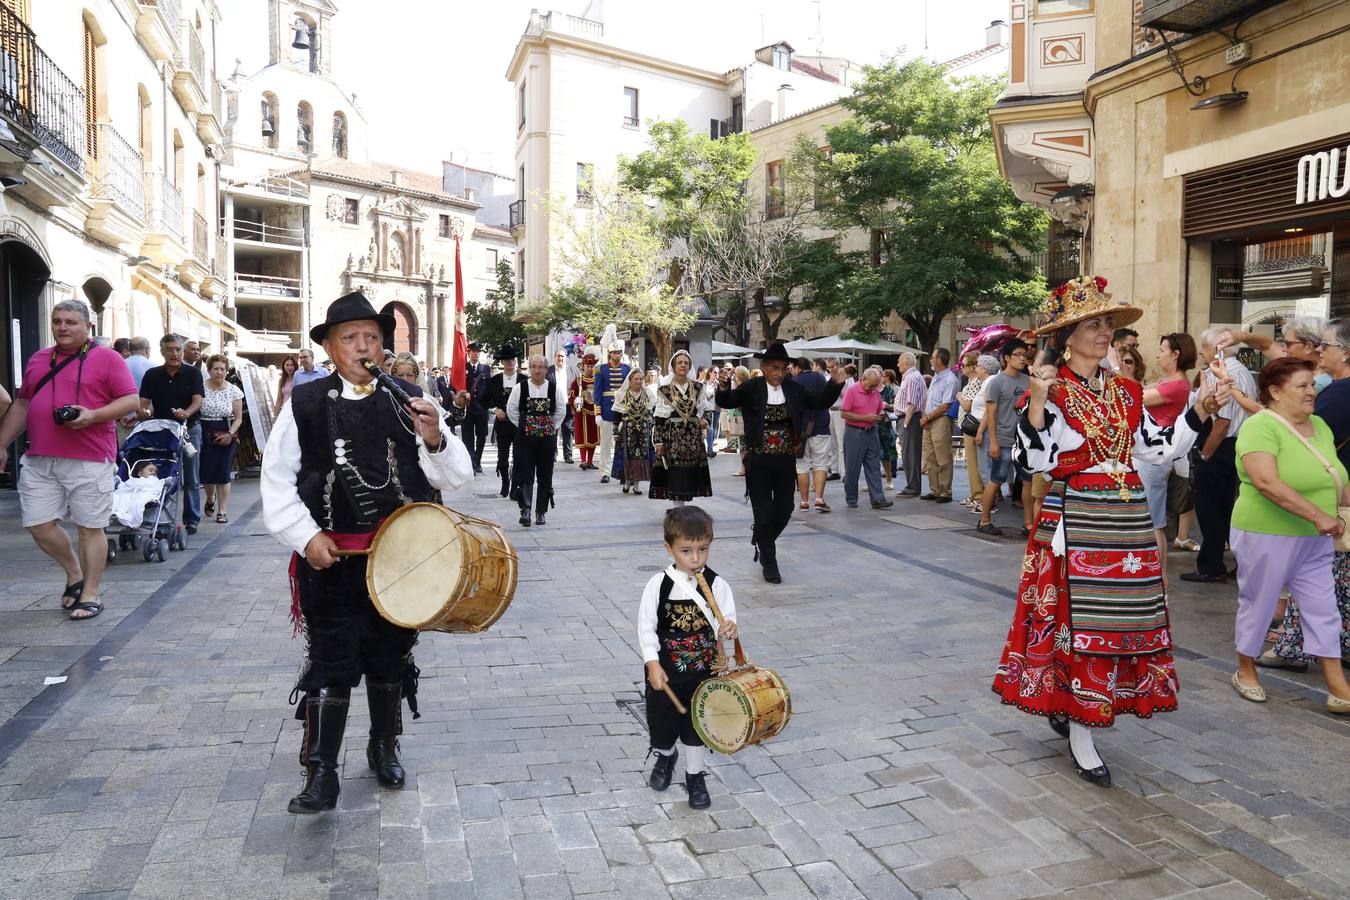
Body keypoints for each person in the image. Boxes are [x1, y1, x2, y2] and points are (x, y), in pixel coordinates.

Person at [993, 275, 1231, 786]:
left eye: (1107, 325)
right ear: (1068, 336)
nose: (1106, 334)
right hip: (1074, 519)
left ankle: (1074, 709)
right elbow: (1034, 460)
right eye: (1095, 325)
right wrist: (1036, 403)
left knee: (1120, 621)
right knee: (1077, 625)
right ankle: (1081, 729)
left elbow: (1158, 449)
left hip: (1124, 523)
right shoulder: (1051, 390)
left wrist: (1201, 411)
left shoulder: (1125, 392)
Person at [261, 291, 472, 815]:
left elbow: (456, 477)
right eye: (350, 338)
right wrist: (306, 537)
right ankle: (322, 772)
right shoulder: (304, 405)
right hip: (329, 563)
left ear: (384, 346)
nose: (362, 347)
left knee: (388, 659)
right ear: (330, 348)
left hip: (400, 563)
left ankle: (384, 747)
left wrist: (435, 437)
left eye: (372, 338)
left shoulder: (410, 400)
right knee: (331, 663)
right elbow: (276, 482)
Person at [0, 299, 140, 621]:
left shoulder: (107, 358)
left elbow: (130, 400)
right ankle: (74, 571)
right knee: (38, 524)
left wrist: (94, 416)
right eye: (58, 321)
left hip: (89, 458)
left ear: (88, 327)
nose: (62, 327)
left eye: (71, 322)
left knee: (89, 527)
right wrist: (2, 443)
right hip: (40, 458)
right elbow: (22, 405)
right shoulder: (38, 359)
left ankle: (90, 593)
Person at [1225, 357, 1350, 714]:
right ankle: (1245, 670)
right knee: (1260, 602)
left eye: (1313, 384)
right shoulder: (1260, 427)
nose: (1313, 391)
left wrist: (1336, 510)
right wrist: (1318, 516)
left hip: (1315, 538)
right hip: (1266, 533)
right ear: (1275, 392)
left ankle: (1337, 684)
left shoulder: (1321, 426)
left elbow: (1335, 476)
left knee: (1324, 609)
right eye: (1303, 386)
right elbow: (1266, 482)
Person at [1262, 320, 1350, 674]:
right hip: (1338, 496)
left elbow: (1294, 430)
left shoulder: (1341, 394)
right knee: (1338, 575)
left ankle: (1294, 646)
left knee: (1312, 574)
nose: (1318, 350)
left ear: (1345, 352)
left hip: (1332, 499)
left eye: (1325, 345)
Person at [716, 342, 845, 583]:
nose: (779, 373)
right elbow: (728, 400)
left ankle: (763, 541)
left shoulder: (793, 388)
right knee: (764, 515)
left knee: (785, 509)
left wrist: (835, 383)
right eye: (774, 368)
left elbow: (819, 401)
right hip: (759, 460)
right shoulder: (752, 387)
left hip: (785, 460)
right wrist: (723, 384)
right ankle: (770, 560)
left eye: (783, 369)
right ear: (764, 367)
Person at [638, 505, 738, 810]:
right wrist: (652, 662)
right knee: (662, 725)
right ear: (669, 549)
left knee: (698, 725)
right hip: (666, 672)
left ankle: (696, 776)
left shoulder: (718, 584)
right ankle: (666, 757)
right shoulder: (659, 584)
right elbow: (646, 626)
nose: (695, 558)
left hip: (703, 672)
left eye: (702, 549)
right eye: (686, 551)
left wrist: (729, 626)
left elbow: (727, 619)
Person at [1181, 327, 1258, 583]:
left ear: (1217, 349)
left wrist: (1204, 455)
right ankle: (1236, 564)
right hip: (1235, 446)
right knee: (1224, 509)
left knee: (1212, 510)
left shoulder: (1223, 374)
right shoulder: (1242, 371)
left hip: (1221, 447)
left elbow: (1222, 423)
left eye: (1204, 346)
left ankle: (1211, 566)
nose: (1202, 351)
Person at [1136, 334, 1196, 581]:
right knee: (1150, 518)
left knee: (1154, 520)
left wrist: (1117, 366)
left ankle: (1158, 577)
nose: (1158, 354)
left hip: (1155, 455)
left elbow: (1133, 398)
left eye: (1163, 350)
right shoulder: (1170, 381)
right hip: (1150, 453)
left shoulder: (1177, 385)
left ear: (1176, 354)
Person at [138, 334, 205, 534]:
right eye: (170, 350)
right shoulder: (152, 375)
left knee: (191, 476)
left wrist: (187, 412)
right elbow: (143, 402)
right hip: (163, 431)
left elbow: (198, 400)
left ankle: (192, 519)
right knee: (164, 475)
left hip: (189, 429)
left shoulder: (193, 373)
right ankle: (163, 517)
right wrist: (143, 412)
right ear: (162, 352)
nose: (175, 354)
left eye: (178, 350)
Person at [976, 340, 1032, 536]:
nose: (1023, 358)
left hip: (1024, 442)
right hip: (1003, 440)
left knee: (1027, 482)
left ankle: (1028, 524)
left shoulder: (1028, 381)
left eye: (1025, 354)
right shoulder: (997, 382)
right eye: (1018, 354)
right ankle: (984, 520)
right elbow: (991, 414)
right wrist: (993, 441)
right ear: (1007, 358)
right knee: (996, 480)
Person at [507, 354, 566, 527]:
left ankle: (541, 511)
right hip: (525, 439)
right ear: (529, 368)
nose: (537, 370)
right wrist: (526, 425)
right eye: (533, 366)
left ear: (546, 369)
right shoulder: (520, 388)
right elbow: (511, 410)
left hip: (547, 440)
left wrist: (550, 427)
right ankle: (525, 509)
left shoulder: (554, 389)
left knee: (545, 474)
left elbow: (561, 410)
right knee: (525, 473)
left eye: (540, 367)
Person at [651, 349, 713, 505]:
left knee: (690, 472)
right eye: (679, 362)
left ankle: (683, 507)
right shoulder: (664, 390)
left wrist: (705, 421)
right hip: (672, 438)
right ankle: (678, 508)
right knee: (676, 472)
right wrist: (658, 441)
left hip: (693, 438)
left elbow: (706, 409)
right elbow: (659, 417)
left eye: (686, 363)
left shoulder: (698, 387)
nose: (683, 365)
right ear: (673, 366)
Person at [1222, 317, 1331, 392]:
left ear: (1308, 347)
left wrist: (1227, 380)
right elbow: (1267, 345)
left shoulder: (1320, 384)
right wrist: (1241, 336)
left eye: (1288, 344)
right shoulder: (1301, 365)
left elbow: (1265, 412)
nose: (1284, 349)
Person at [199, 354, 245, 524]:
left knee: (224, 472)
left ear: (226, 371)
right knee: (207, 472)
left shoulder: (234, 390)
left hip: (227, 430)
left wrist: (230, 434)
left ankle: (222, 510)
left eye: (222, 369)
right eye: (216, 369)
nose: (219, 372)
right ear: (209, 370)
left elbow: (238, 418)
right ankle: (210, 498)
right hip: (204, 430)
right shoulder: (201, 388)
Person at [839, 367, 893, 510]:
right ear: (862, 380)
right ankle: (851, 498)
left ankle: (878, 499)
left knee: (874, 466)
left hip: (872, 431)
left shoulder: (874, 391)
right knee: (853, 468)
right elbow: (844, 413)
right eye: (870, 385)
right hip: (854, 432)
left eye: (875, 385)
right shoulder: (852, 391)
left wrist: (880, 413)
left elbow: (879, 406)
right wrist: (865, 417)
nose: (873, 388)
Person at [484, 346, 526, 498]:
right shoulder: (494, 381)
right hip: (502, 425)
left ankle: (515, 486)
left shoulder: (524, 380)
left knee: (519, 457)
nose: (510, 363)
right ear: (503, 362)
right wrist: (495, 409)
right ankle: (505, 482)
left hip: (519, 425)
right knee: (502, 458)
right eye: (507, 360)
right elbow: (484, 401)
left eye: (513, 360)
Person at [795, 358, 834, 512]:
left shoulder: (794, 381)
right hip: (821, 426)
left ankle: (804, 502)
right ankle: (819, 499)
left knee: (802, 466)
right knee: (821, 464)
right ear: (810, 366)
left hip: (801, 430)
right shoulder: (820, 378)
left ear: (797, 368)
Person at [919, 348, 958, 503]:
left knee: (943, 458)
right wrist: (925, 417)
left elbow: (945, 406)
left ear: (939, 360)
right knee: (930, 457)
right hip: (930, 420)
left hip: (941, 420)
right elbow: (929, 400)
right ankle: (934, 490)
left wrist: (927, 417)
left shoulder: (950, 379)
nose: (931, 360)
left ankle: (945, 492)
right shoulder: (935, 377)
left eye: (933, 357)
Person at [595, 335, 630, 483]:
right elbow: (597, 392)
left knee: (624, 444)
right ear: (610, 353)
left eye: (619, 352)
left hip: (622, 410)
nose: (617, 355)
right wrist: (598, 412)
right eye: (614, 352)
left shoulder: (627, 369)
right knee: (606, 444)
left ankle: (623, 472)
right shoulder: (600, 370)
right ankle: (605, 472)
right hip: (607, 410)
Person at [614, 369, 655, 495]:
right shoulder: (623, 394)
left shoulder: (647, 393)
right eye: (635, 379)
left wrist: (653, 427)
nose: (638, 381)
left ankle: (636, 485)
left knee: (641, 457)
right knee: (628, 456)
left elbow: (652, 412)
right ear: (630, 380)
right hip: (627, 430)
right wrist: (615, 432)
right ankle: (627, 482)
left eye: (640, 379)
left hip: (643, 430)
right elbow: (616, 414)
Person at [956, 353, 989, 511]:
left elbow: (968, 405)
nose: (962, 368)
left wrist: (960, 396)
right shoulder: (970, 382)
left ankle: (978, 495)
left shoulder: (976, 383)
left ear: (973, 367)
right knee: (972, 462)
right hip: (968, 425)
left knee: (975, 463)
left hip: (973, 425)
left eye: (964, 365)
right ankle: (974, 493)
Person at [895, 352, 927, 497]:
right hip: (907, 418)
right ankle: (911, 485)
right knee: (908, 454)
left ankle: (913, 487)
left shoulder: (913, 378)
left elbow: (912, 404)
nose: (897, 365)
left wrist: (906, 425)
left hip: (910, 419)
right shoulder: (909, 377)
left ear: (906, 363)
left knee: (911, 454)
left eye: (899, 362)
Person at [461, 342, 492, 475]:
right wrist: (463, 392)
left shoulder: (485, 369)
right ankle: (472, 463)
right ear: (469, 353)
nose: (476, 353)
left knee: (482, 437)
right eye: (474, 351)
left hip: (481, 409)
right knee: (467, 438)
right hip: (467, 409)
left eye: (478, 351)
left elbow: (489, 388)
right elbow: (456, 386)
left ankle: (477, 461)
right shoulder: (463, 368)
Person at [571, 349, 601, 468]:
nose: (590, 368)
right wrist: (575, 401)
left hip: (594, 412)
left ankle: (590, 461)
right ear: (583, 366)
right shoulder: (577, 381)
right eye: (588, 366)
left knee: (593, 437)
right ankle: (583, 460)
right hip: (582, 413)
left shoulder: (598, 380)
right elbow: (571, 395)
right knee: (582, 436)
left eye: (592, 366)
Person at [547, 349, 576, 464]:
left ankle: (568, 455)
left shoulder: (571, 370)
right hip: (554, 405)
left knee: (568, 430)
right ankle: (553, 454)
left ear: (565, 358)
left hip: (568, 405)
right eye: (558, 356)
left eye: (563, 357)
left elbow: (575, 387)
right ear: (555, 358)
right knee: (553, 429)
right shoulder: (549, 371)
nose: (561, 359)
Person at [877, 369, 899, 491]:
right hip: (871, 424)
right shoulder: (870, 390)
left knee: (886, 454)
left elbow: (896, 407)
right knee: (872, 455)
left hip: (884, 425)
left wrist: (887, 405)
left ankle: (889, 479)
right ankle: (873, 481)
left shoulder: (889, 390)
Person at [701, 367, 721, 458]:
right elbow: (702, 398)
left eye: (718, 373)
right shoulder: (704, 384)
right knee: (710, 429)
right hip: (708, 410)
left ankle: (710, 447)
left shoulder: (718, 384)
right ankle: (710, 450)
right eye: (715, 372)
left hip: (717, 408)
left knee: (715, 429)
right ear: (710, 373)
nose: (716, 374)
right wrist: (710, 396)